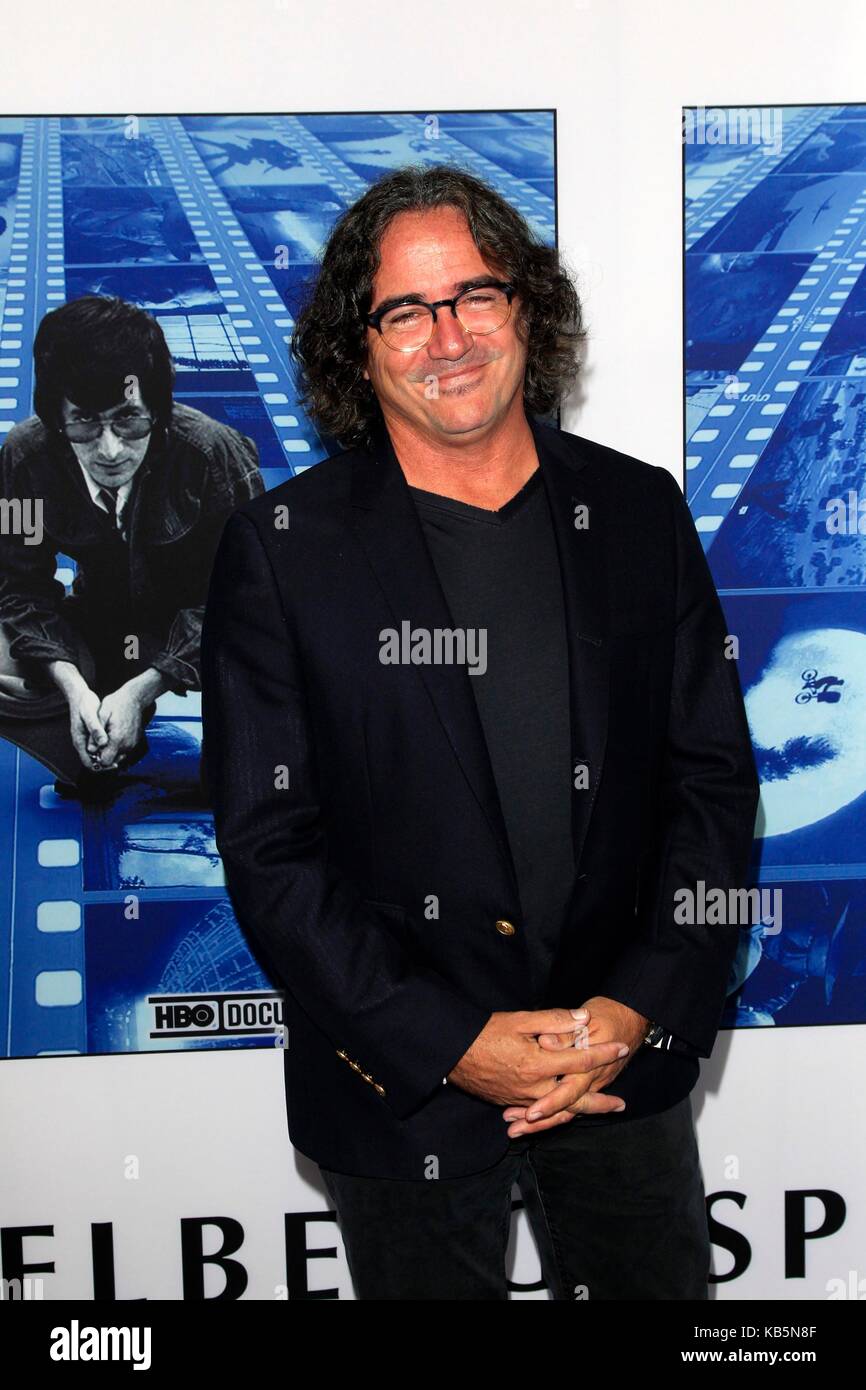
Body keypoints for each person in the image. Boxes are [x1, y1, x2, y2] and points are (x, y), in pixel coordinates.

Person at [199, 165, 761, 1300]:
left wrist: (638, 1002)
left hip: (615, 1067)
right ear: (357, 351)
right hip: (406, 1085)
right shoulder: (282, 549)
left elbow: (711, 784)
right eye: (403, 310)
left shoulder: (637, 511)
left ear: (527, 311)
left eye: (473, 295)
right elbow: (271, 848)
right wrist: (452, 1042)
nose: (445, 335)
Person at [0, 295, 264, 799]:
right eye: (83, 422)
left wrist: (147, 685)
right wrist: (74, 687)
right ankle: (87, 731)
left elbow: (247, 601)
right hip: (102, 620)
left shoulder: (214, 457)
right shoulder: (24, 458)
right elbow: (19, 586)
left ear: (158, 410)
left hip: (207, 628)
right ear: (56, 417)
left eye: (129, 420)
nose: (109, 449)